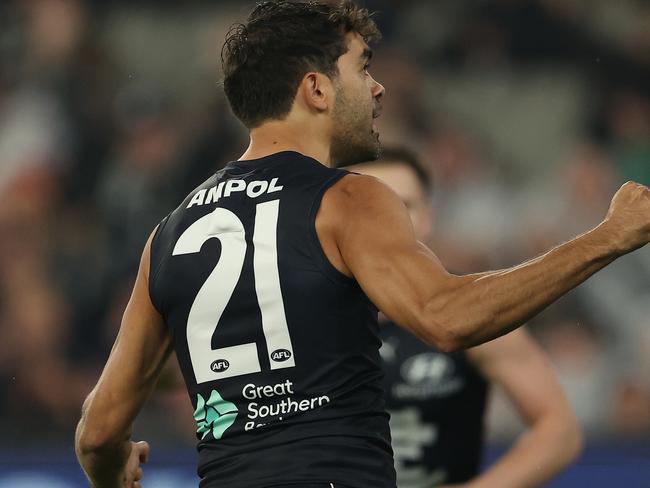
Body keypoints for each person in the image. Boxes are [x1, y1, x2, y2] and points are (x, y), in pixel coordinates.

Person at [74, 2, 650, 488]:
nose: (377, 88)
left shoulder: (169, 234)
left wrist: (113, 472)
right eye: (363, 68)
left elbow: (98, 430)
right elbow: (445, 317)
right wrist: (607, 238)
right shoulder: (350, 201)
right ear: (317, 89)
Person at [349, 148, 583, 488]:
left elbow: (559, 431)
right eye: (368, 204)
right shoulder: (293, 310)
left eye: (403, 205)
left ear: (427, 216)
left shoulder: (474, 307)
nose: (387, 219)